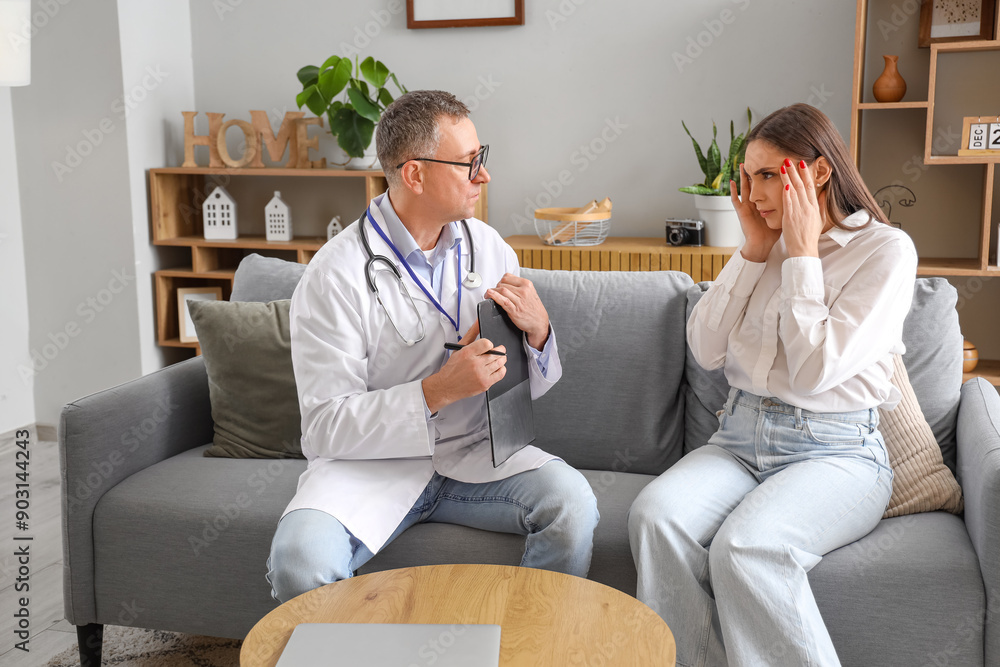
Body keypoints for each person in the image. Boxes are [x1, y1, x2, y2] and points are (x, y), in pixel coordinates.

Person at [267, 90, 599, 602]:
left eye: (480, 159)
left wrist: (537, 333)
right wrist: (435, 392)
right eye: (470, 163)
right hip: (370, 467)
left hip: (475, 455)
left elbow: (526, 383)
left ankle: (528, 647)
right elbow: (324, 426)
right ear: (415, 174)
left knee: (571, 505)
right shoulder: (334, 274)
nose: (484, 176)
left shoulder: (489, 247)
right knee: (300, 559)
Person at [628, 103, 916, 666]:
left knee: (746, 548)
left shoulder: (885, 251)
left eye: (767, 175)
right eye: (747, 175)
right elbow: (706, 350)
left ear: (818, 173)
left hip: (837, 453)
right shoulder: (765, 245)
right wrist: (754, 254)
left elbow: (815, 372)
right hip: (737, 439)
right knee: (655, 516)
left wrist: (804, 256)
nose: (752, 193)